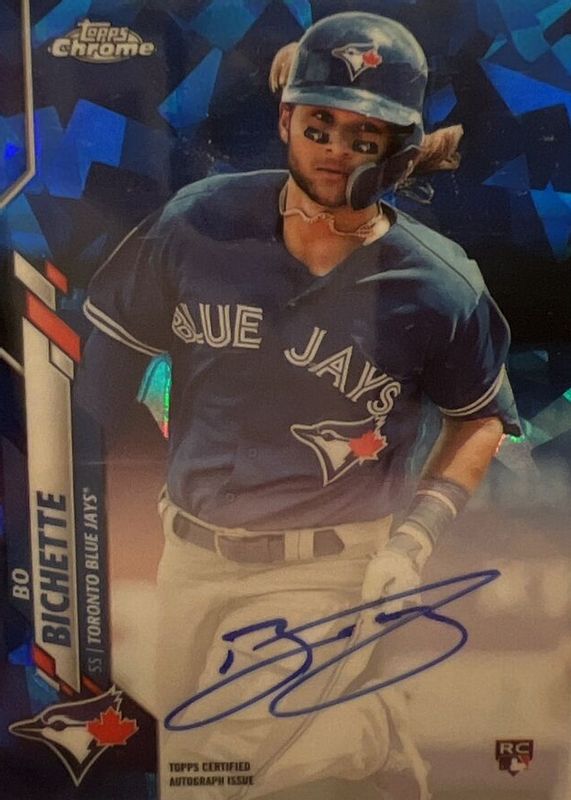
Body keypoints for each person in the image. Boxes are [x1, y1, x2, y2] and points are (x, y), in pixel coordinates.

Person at [74, 11, 520, 800]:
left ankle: (354, 729)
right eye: (319, 125)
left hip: (326, 566)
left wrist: (414, 539)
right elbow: (111, 348)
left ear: (399, 148)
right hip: (189, 556)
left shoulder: (436, 284)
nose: (334, 149)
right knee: (189, 761)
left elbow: (480, 419)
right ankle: (366, 734)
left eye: (364, 135)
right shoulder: (198, 222)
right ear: (285, 120)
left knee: (215, 770)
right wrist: (118, 458)